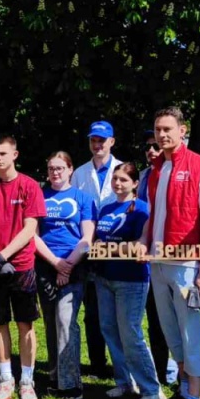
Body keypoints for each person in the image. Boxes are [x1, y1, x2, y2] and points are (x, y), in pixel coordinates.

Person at [138, 107, 200, 399]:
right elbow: (150, 214)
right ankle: (184, 394)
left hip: (187, 266)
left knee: (191, 336)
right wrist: (143, 242)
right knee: (172, 335)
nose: (162, 134)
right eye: (158, 129)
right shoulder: (155, 168)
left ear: (182, 130)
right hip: (158, 264)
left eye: (168, 128)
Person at [0, 135, 47, 399]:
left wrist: (3, 256)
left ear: (15, 155)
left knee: (25, 324)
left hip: (22, 266)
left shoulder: (29, 186)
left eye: (3, 153)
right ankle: (6, 379)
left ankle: (27, 380)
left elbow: (30, 228)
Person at [93, 162, 166, 399]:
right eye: (115, 178)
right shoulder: (106, 208)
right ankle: (124, 382)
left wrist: (107, 249)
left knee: (130, 333)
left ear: (135, 183)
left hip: (131, 280)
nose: (117, 183)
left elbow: (140, 246)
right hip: (104, 278)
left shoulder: (142, 209)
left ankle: (151, 388)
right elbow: (96, 241)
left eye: (124, 179)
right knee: (110, 331)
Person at [34, 152, 94, 399]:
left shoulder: (83, 198)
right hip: (47, 265)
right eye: (50, 168)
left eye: (60, 168)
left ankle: (71, 384)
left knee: (65, 319)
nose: (55, 172)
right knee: (50, 322)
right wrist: (56, 263)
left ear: (70, 170)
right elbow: (34, 235)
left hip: (74, 264)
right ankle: (55, 375)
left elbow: (87, 237)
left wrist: (67, 265)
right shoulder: (40, 196)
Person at [72, 121, 121, 377]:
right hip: (88, 249)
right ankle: (98, 364)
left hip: (116, 249)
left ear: (112, 141)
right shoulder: (79, 173)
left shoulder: (122, 170)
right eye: (94, 140)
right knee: (92, 312)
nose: (98, 144)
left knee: (116, 313)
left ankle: (121, 363)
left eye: (102, 140)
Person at [137, 130, 179, 388]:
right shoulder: (143, 176)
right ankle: (160, 368)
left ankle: (177, 368)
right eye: (148, 147)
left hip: (171, 252)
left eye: (156, 146)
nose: (152, 150)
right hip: (147, 250)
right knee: (154, 314)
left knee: (174, 316)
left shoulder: (173, 172)